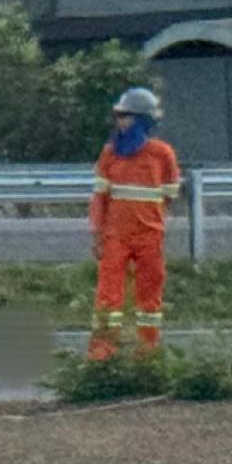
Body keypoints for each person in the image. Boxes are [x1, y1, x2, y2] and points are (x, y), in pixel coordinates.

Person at [87, 87, 181, 361]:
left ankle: (147, 352)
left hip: (150, 236)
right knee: (108, 296)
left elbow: (169, 196)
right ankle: (103, 352)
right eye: (118, 116)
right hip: (115, 236)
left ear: (142, 119)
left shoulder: (162, 154)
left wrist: (152, 223)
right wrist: (97, 233)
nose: (120, 121)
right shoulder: (110, 154)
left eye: (125, 116)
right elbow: (100, 198)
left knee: (149, 298)